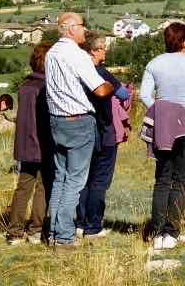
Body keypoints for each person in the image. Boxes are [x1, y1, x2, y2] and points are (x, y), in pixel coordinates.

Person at [44, 12, 112, 248]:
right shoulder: (77, 55)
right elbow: (100, 90)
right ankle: (64, 236)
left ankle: (54, 232)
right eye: (83, 26)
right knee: (75, 181)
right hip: (78, 121)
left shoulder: (52, 53)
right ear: (72, 28)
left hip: (57, 120)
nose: (85, 30)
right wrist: (110, 84)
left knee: (60, 178)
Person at [141, 22, 185, 250]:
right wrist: (180, 114)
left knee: (163, 177)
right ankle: (172, 231)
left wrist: (162, 113)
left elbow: (144, 95)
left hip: (163, 124)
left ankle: (157, 231)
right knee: (181, 179)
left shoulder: (154, 63)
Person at [76, 34, 132, 239]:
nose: (105, 52)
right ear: (93, 51)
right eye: (102, 48)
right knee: (100, 180)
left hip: (82, 129)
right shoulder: (102, 73)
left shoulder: (77, 71)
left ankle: (80, 222)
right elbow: (123, 94)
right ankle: (93, 225)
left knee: (83, 179)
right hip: (104, 129)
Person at [4, 43, 53, 245]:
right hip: (43, 142)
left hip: (25, 144)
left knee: (23, 188)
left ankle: (14, 231)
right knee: (43, 187)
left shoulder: (25, 86)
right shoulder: (47, 87)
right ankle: (35, 230)